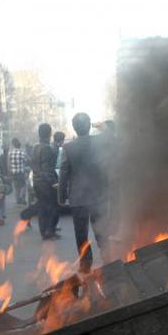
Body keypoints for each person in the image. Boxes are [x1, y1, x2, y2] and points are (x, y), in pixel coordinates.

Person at [60, 113, 109, 272]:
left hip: (78, 198)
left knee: (81, 234)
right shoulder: (100, 143)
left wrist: (61, 196)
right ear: (88, 126)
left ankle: (85, 264)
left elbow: (64, 174)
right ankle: (108, 259)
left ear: (74, 128)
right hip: (98, 196)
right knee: (101, 230)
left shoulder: (68, 148)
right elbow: (107, 167)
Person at [32, 123, 60, 241]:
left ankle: (44, 232)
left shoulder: (35, 147)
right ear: (49, 134)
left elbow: (34, 165)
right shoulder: (47, 148)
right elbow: (47, 168)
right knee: (53, 207)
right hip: (46, 183)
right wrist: (54, 182)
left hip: (37, 181)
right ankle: (50, 231)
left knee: (42, 207)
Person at [7, 138, 29, 204]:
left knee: (16, 187)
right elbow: (27, 160)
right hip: (21, 173)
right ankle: (22, 198)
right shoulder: (22, 152)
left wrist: (9, 173)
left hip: (13, 173)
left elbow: (8, 164)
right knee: (24, 185)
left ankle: (17, 200)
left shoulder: (10, 153)